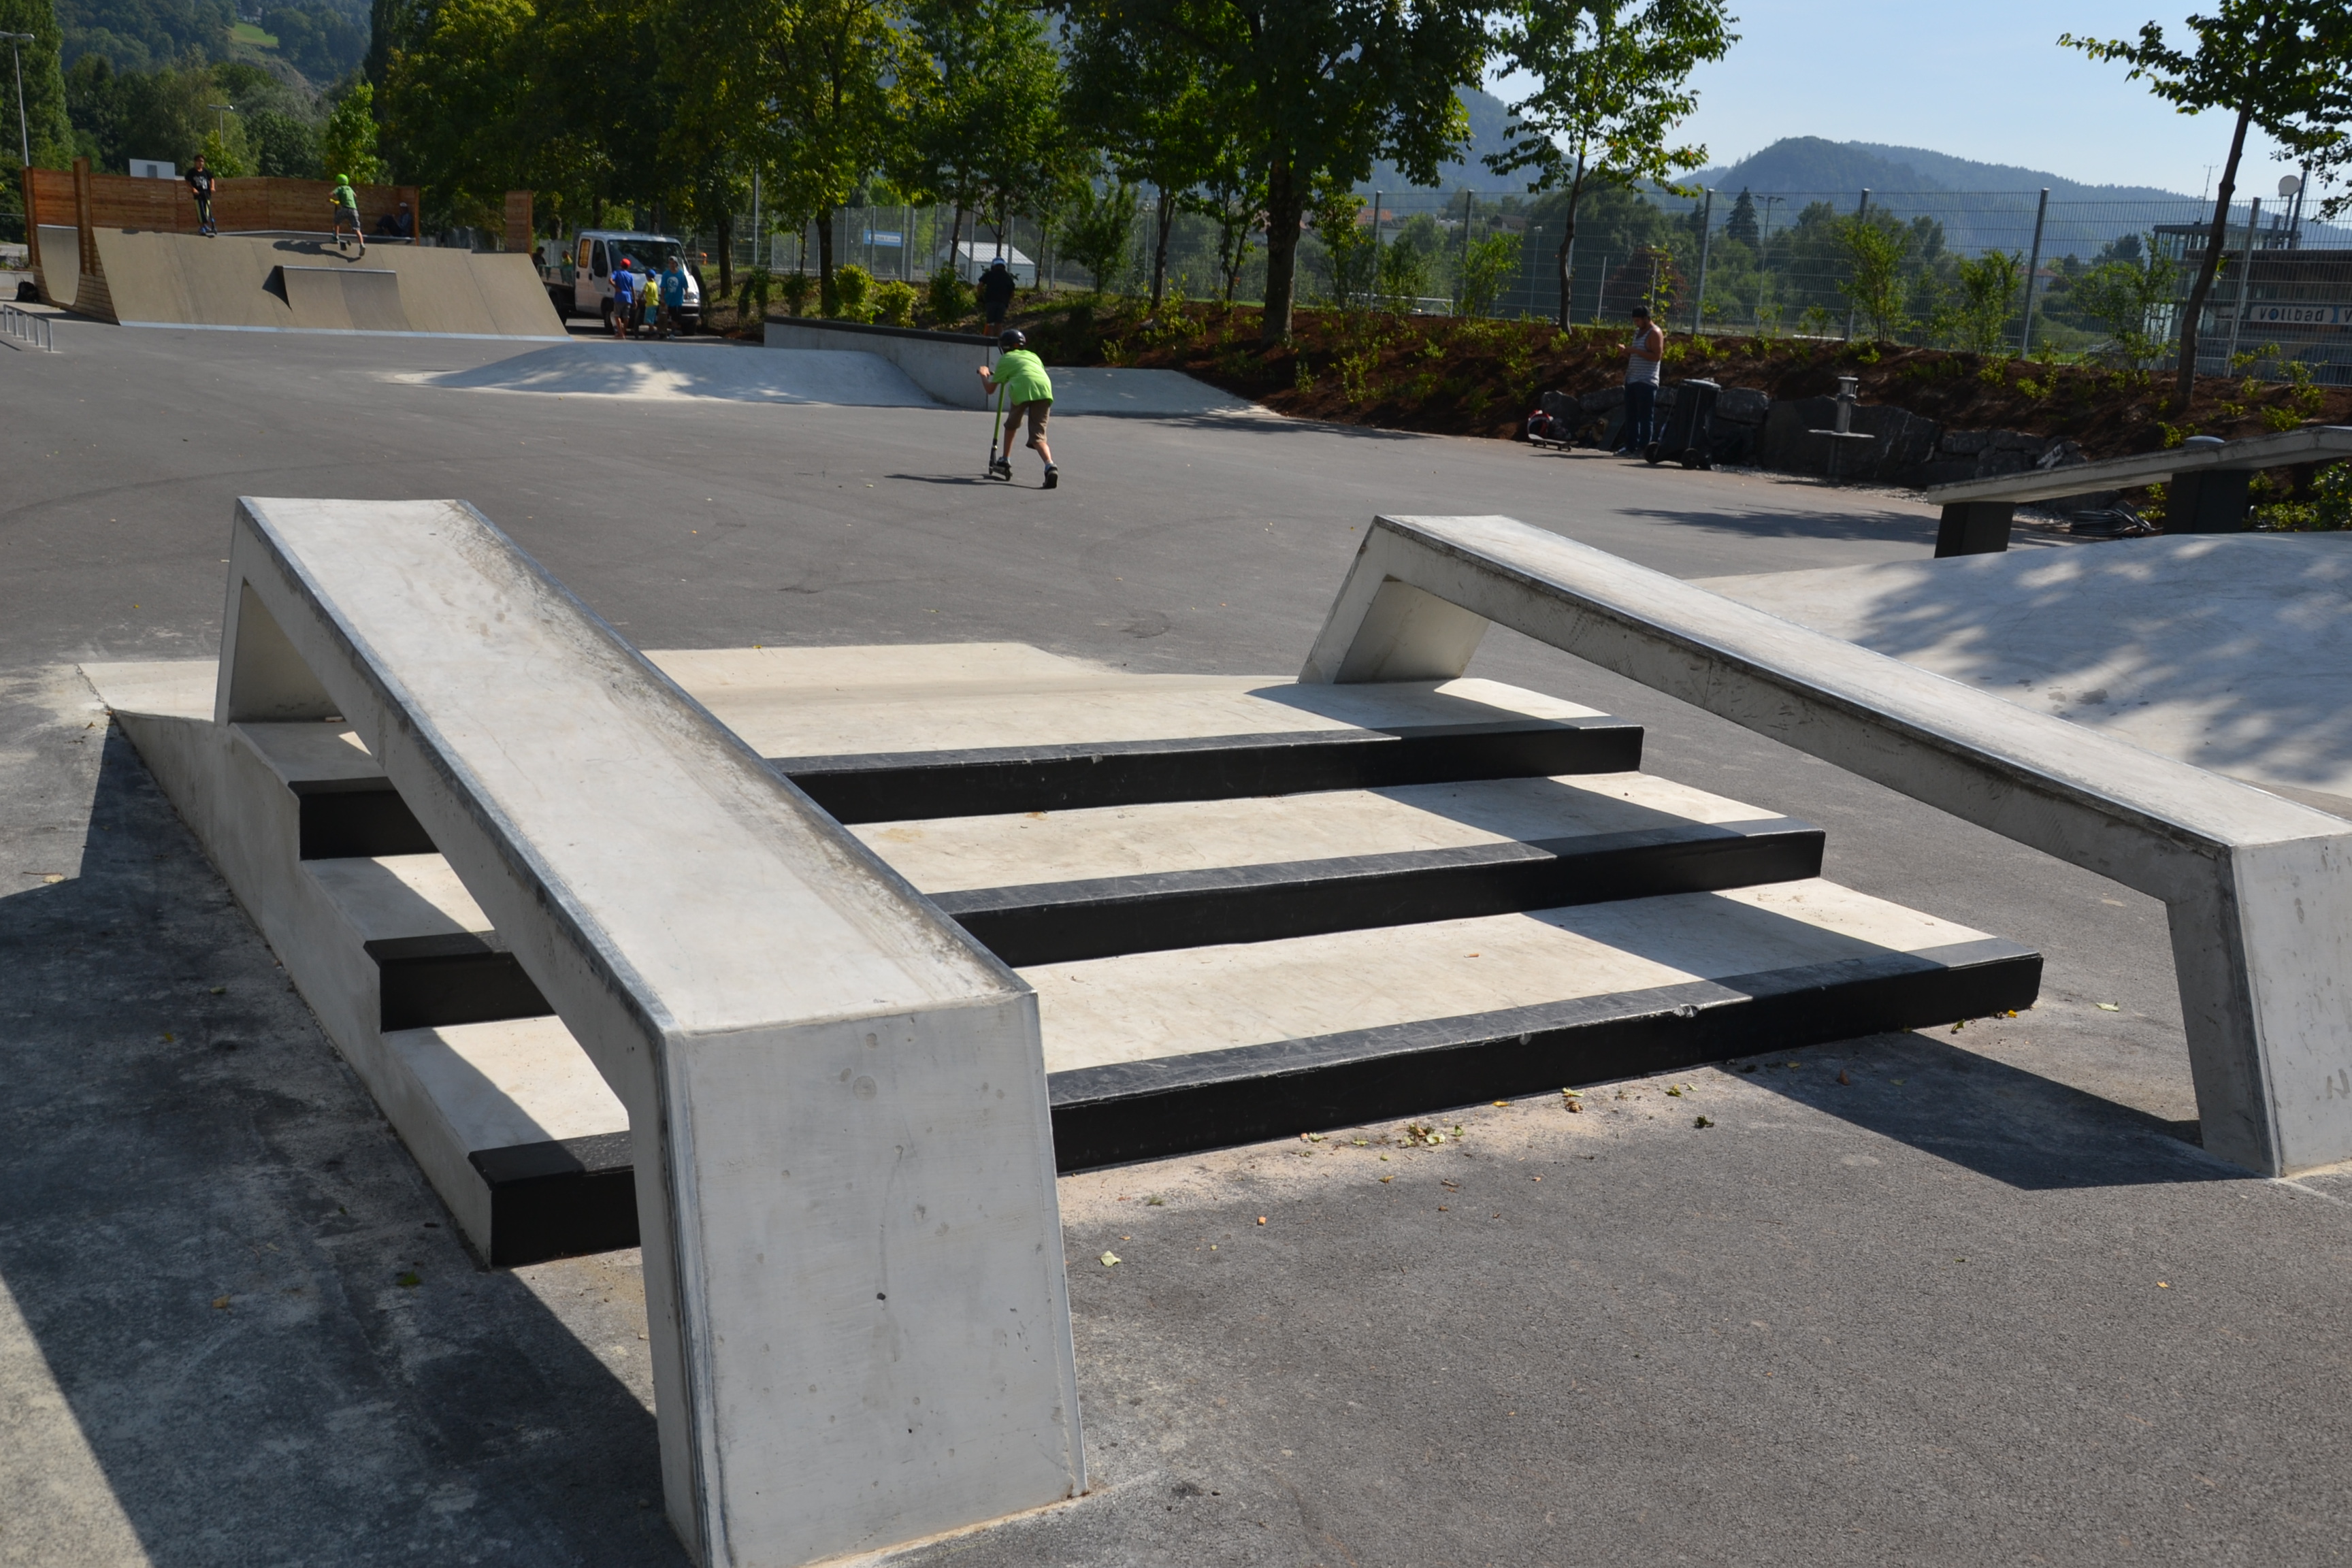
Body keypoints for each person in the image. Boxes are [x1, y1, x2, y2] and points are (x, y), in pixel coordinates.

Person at [976, 328, 1057, 489]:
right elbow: (1032, 373)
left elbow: (990, 389)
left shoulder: (1006, 359)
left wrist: (984, 375)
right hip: (1044, 390)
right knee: (1039, 436)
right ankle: (1050, 466)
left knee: (1011, 425)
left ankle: (1005, 459)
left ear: (1006, 347)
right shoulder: (1033, 356)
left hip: (1022, 389)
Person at [1616, 304, 1663, 454]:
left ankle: (1644, 448)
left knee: (1645, 417)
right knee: (1631, 416)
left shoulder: (1655, 333)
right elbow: (1637, 356)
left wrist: (1635, 350)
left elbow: (1657, 356)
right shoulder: (1638, 332)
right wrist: (1626, 351)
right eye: (1634, 321)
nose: (1636, 324)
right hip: (1632, 379)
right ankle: (1630, 447)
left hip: (1646, 381)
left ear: (1646, 318)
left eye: (1638, 320)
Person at [979, 257, 1016, 334]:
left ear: (993, 266)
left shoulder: (989, 274)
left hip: (990, 302)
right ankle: (1001, 340)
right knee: (999, 324)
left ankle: (990, 340)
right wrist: (1007, 301)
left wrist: (980, 297)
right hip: (1002, 303)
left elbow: (980, 286)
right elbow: (1013, 293)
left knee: (990, 324)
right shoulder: (1007, 277)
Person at [329, 173, 363, 256]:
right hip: (354, 210)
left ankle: (336, 237)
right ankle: (362, 245)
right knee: (357, 229)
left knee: (336, 221)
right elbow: (355, 195)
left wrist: (332, 198)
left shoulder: (340, 188)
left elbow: (331, 194)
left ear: (338, 181)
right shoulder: (350, 188)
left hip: (345, 209)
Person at [186, 154, 216, 238]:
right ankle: (202, 227)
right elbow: (187, 181)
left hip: (206, 194)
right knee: (201, 211)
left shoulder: (206, 171)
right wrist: (193, 189)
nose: (201, 163)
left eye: (202, 161)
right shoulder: (192, 172)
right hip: (198, 195)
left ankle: (205, 226)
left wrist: (212, 187)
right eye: (199, 161)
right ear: (195, 162)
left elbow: (212, 179)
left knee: (207, 211)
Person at [658, 257, 687, 339]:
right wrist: (662, 298)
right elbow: (663, 287)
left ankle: (672, 333)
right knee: (665, 316)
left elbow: (685, 285)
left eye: (673, 263)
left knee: (675, 318)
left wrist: (687, 293)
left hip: (677, 300)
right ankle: (663, 332)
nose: (672, 265)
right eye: (670, 263)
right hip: (668, 299)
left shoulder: (681, 274)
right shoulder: (666, 274)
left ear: (676, 264)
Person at [609, 257, 638, 338]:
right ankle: (624, 332)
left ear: (621, 265)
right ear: (628, 266)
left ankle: (620, 333)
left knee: (617, 315)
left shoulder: (617, 273)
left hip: (619, 296)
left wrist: (616, 287)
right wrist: (635, 300)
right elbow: (633, 288)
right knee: (626, 316)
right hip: (628, 297)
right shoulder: (630, 276)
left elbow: (610, 280)